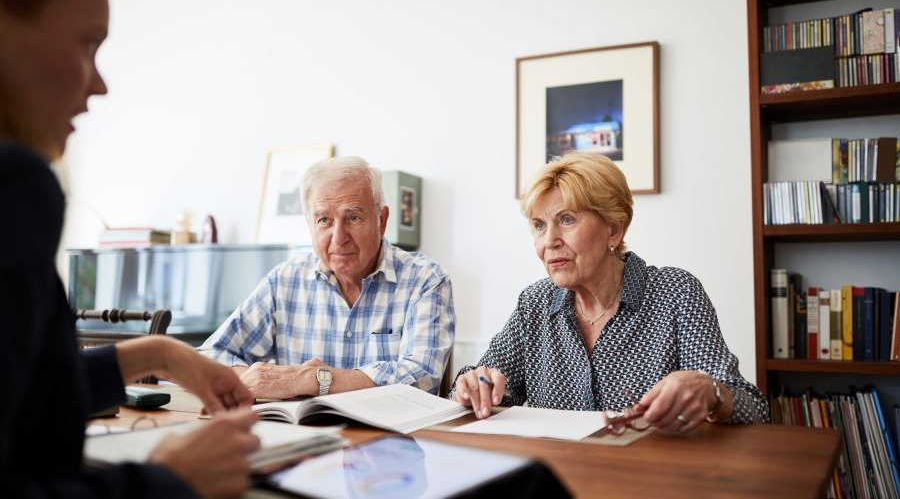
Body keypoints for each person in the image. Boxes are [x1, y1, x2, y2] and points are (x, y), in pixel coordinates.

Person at [0, 0, 261, 497]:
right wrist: (167, 481)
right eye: (89, 43)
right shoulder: (16, 183)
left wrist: (159, 354)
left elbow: (29, 399)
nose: (99, 84)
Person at [451, 152, 769, 431]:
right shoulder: (534, 303)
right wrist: (472, 385)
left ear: (614, 229)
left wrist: (711, 393)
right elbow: (484, 380)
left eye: (567, 219)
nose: (549, 241)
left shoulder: (676, 293)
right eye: (539, 225)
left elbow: (755, 410)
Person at [200, 156, 455, 399]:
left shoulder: (425, 279)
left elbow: (422, 378)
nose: (338, 237)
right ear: (310, 225)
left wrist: (312, 380)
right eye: (324, 220)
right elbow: (212, 355)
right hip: (302, 438)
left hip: (394, 439)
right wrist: (257, 380)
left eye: (353, 218)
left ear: (382, 220)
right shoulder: (284, 281)